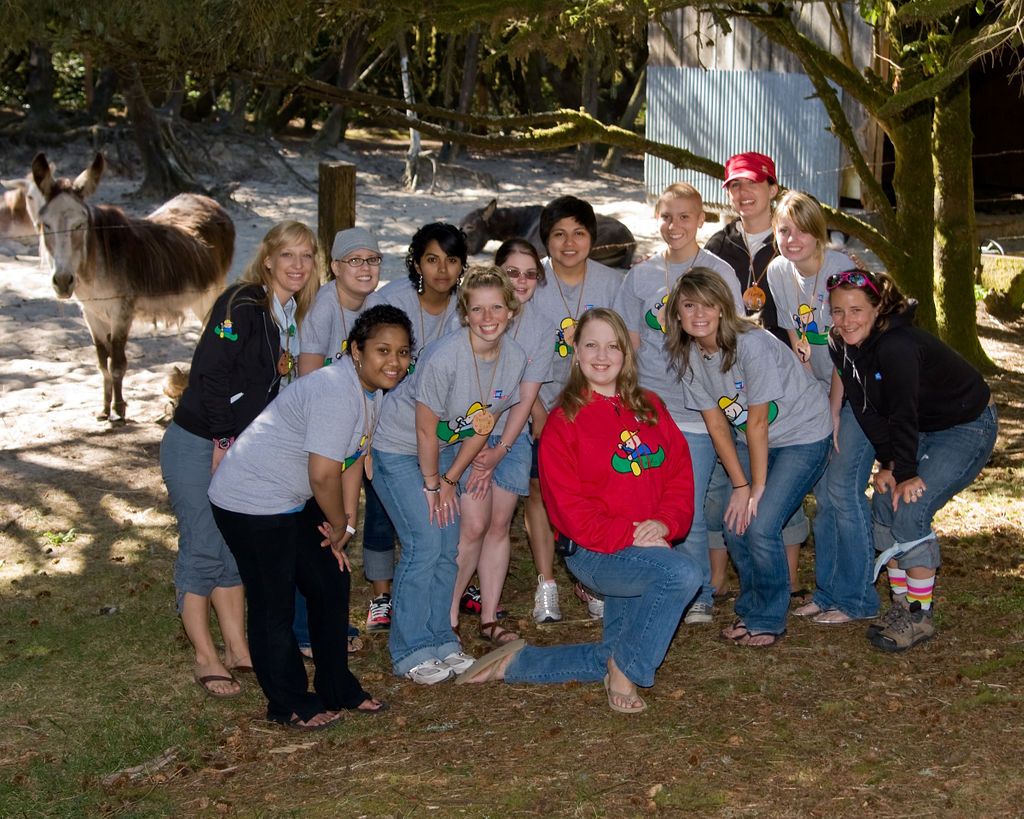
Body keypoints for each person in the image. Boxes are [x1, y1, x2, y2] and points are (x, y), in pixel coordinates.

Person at [457, 308, 698, 714]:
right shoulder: (563, 421)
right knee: (684, 573)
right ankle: (625, 672)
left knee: (617, 645)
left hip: (648, 543)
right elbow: (569, 512)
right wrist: (634, 534)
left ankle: (522, 662)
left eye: (612, 346)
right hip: (595, 551)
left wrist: (664, 524)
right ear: (576, 353)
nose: (601, 356)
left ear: (626, 353)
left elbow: (679, 475)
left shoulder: (651, 406)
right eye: (591, 345)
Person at [208, 305, 411, 728]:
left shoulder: (369, 392)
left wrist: (346, 524)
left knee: (329, 578)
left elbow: (352, 457)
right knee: (273, 603)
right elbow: (322, 475)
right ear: (357, 351)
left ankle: (336, 685)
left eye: (403, 352)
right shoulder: (336, 391)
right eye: (383, 351)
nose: (394, 362)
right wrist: (336, 522)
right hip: (251, 501)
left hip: (288, 498)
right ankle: (289, 702)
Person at [159, 221, 320, 698]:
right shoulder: (243, 303)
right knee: (203, 543)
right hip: (200, 442)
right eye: (287, 255)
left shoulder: (286, 314)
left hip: (240, 447)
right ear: (266, 259)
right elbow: (208, 373)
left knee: (232, 547)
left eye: (306, 255)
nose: (297, 265)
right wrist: (223, 441)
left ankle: (237, 648)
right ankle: (205, 657)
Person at [371, 265, 527, 684]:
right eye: (478, 309)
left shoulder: (514, 359)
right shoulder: (445, 357)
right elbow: (424, 427)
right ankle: (408, 649)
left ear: (511, 310)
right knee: (424, 543)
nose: (488, 317)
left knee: (449, 546)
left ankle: (441, 637)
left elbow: (483, 425)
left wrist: (452, 480)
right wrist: (431, 485)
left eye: (496, 307)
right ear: (465, 314)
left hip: (443, 455)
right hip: (400, 449)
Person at [827, 270, 997, 651]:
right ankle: (901, 606)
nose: (846, 320)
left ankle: (920, 616)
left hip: (966, 425)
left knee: (909, 506)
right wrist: (887, 463)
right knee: (883, 504)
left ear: (877, 308)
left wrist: (905, 473)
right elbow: (868, 408)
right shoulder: (840, 343)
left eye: (856, 310)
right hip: (922, 426)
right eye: (838, 311)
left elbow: (903, 411)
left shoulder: (895, 345)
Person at [665, 269, 833, 647]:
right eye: (689, 305)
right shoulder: (690, 354)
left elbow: (757, 422)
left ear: (723, 308)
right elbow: (717, 425)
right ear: (676, 313)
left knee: (760, 523)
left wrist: (753, 488)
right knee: (733, 523)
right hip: (754, 439)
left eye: (708, 304)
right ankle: (753, 607)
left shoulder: (750, 344)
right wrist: (739, 486)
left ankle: (768, 619)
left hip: (802, 434)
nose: (699, 314)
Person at [614, 182, 743, 626]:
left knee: (686, 502)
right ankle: (657, 581)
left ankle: (699, 594)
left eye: (685, 216)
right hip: (649, 405)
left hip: (697, 411)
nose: (675, 226)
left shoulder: (719, 271)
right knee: (647, 497)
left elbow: (732, 339)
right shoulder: (641, 275)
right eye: (667, 216)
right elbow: (628, 343)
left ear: (701, 220)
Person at [766, 193, 878, 625]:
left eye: (802, 229)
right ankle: (830, 591)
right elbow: (796, 331)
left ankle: (857, 598)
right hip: (815, 393)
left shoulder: (840, 271)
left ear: (819, 231)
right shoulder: (778, 271)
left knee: (843, 492)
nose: (793, 239)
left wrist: (832, 411)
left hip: (857, 392)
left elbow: (848, 350)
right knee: (824, 497)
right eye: (784, 230)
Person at [704, 152, 808, 597]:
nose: (743, 194)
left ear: (772, 188)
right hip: (731, 378)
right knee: (728, 474)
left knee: (780, 480)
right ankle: (720, 577)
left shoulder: (790, 241)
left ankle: (789, 577)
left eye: (751, 184)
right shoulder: (717, 246)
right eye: (734, 187)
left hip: (783, 379)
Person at [362, 222, 467, 631]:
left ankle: (443, 599)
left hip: (442, 433)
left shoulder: (466, 309)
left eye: (452, 260)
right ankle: (382, 596)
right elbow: (366, 371)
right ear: (416, 262)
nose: (442, 269)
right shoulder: (391, 301)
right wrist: (365, 436)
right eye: (432, 259)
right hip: (390, 427)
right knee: (384, 514)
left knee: (441, 527)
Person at [449, 240, 555, 643]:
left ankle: (490, 618)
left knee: (497, 524)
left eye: (530, 274)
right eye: (513, 272)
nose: (522, 281)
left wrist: (501, 449)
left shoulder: (542, 328)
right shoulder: (475, 315)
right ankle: (450, 615)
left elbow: (527, 397)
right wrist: (480, 447)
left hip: (510, 433)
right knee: (472, 525)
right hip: (470, 432)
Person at [527, 195, 624, 622]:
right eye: (559, 234)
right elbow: (516, 353)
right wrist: (534, 413)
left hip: (596, 410)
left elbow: (623, 348)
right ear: (546, 239)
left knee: (594, 494)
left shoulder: (612, 282)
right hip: (542, 406)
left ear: (592, 238)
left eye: (579, 233)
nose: (569, 243)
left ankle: (593, 580)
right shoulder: (533, 282)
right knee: (538, 493)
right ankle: (546, 582)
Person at [293, 226, 385, 654]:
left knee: (343, 526)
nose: (365, 269)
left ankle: (330, 622)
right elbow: (306, 381)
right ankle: (305, 630)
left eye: (372, 260)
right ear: (335, 267)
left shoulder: (374, 308)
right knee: (314, 532)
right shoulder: (323, 310)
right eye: (355, 260)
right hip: (315, 436)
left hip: (349, 436)